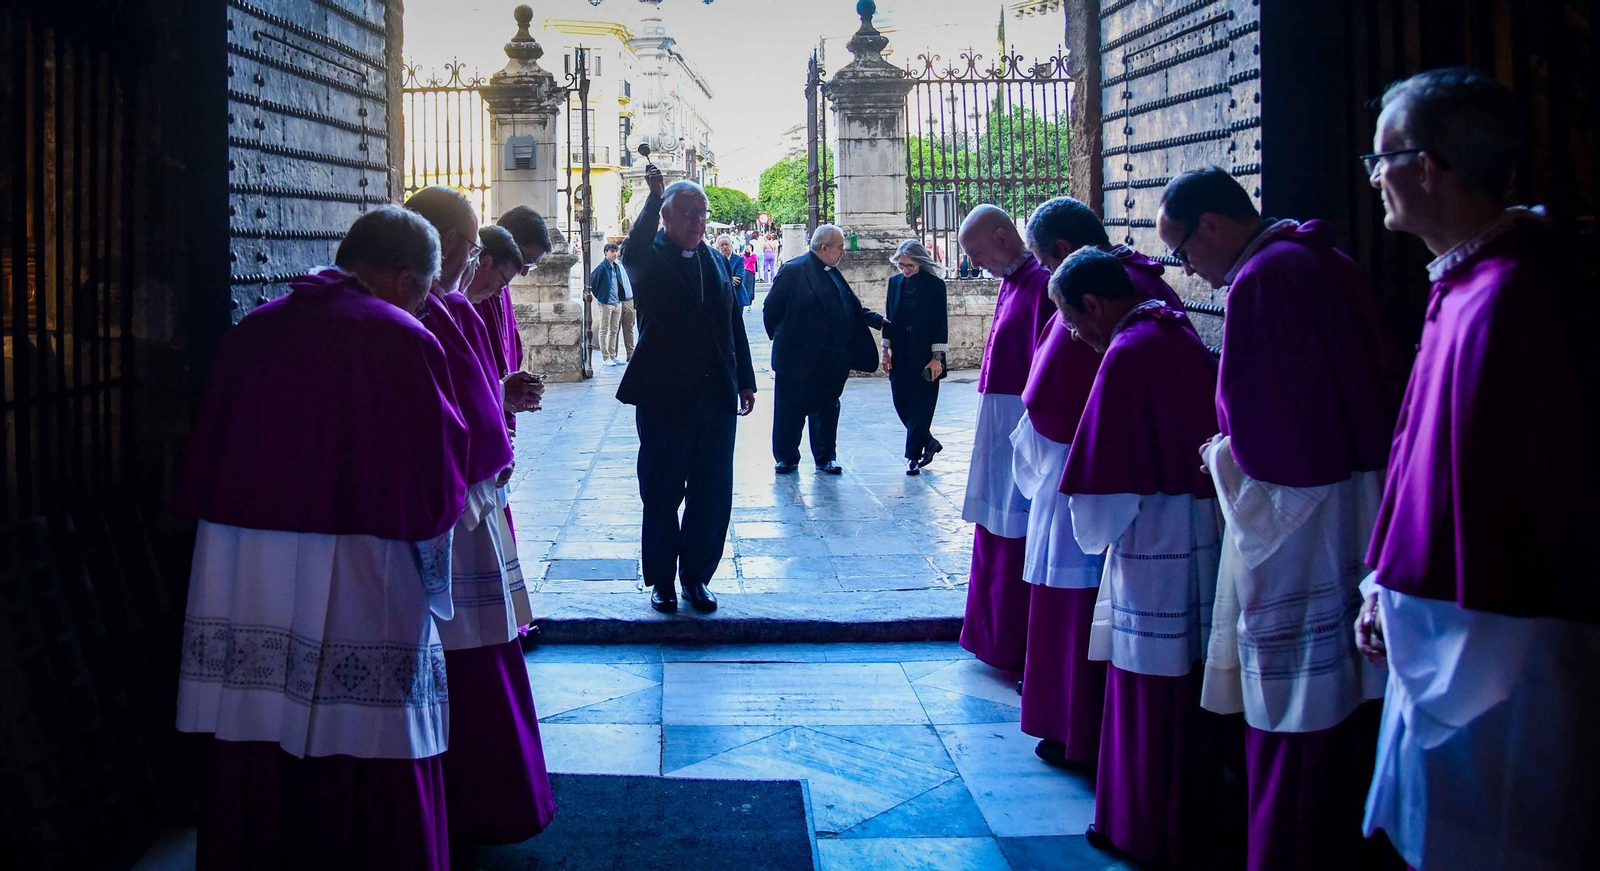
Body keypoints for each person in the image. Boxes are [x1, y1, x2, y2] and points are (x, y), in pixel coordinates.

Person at [1357, 68, 1600, 871]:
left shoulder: (1510, 297)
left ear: (1427, 167)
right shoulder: (1467, 280)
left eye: (1382, 156)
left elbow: (1507, 489)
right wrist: (1383, 584)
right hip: (1441, 614)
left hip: (1495, 631)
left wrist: (1401, 596)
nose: (1373, 175)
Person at [173, 206, 467, 870]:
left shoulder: (254, 329)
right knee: (366, 729)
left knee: (255, 724)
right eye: (425, 291)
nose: (425, 308)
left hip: (243, 565)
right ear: (399, 279)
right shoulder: (400, 338)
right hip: (365, 566)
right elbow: (435, 479)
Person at [1152, 167, 1402, 871]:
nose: (1189, 272)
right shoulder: (1320, 259)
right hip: (1357, 493)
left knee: (1296, 694)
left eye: (1184, 252)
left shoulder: (1266, 277)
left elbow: (1269, 429)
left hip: (1305, 515)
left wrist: (1219, 453)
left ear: (1213, 227)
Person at [1052, 248, 1223, 868]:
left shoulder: (1128, 350)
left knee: (1148, 682)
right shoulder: (1169, 326)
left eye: (1072, 321)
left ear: (1095, 304)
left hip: (1154, 534)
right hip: (1194, 520)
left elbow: (1101, 478)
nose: (1074, 335)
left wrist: (1089, 520)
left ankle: (1141, 823)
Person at [1011, 196, 1186, 771]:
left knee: (1085, 604)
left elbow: (1054, 400)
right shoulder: (1143, 289)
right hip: (1144, 484)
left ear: (1063, 252)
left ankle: (1076, 728)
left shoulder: (1108, 303)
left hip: (1098, 482)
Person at [404, 187, 555, 846]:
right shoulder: (440, 312)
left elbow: (460, 401)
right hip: (450, 510)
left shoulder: (446, 309)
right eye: (467, 251)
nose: (475, 267)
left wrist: (498, 396)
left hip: (461, 498)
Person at [617, 166, 757, 615]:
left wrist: (747, 381)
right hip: (664, 397)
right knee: (660, 490)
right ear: (667, 216)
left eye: (703, 212)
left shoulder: (715, 260)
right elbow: (633, 246)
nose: (698, 221)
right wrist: (651, 197)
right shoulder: (649, 255)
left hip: (716, 395)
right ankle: (662, 580)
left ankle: (697, 576)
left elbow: (732, 321)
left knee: (712, 491)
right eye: (688, 213)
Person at [954, 204, 1056, 671]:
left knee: (1016, 526)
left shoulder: (1042, 284)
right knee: (993, 527)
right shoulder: (1012, 280)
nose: (975, 264)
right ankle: (989, 636)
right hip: (997, 422)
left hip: (1021, 423)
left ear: (1001, 236)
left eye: (976, 252)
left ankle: (1013, 641)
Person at [763, 224, 885, 475]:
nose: (843, 252)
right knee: (790, 409)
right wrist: (785, 340)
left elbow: (850, 308)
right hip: (796, 358)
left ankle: (825, 456)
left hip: (831, 359)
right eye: (840, 247)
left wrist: (878, 321)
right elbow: (771, 310)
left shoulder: (833, 273)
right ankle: (786, 457)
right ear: (825, 247)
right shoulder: (794, 270)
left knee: (828, 409)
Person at [880, 239, 948, 475]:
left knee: (922, 404)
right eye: (901, 266)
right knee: (901, 401)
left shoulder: (935, 286)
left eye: (909, 266)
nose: (905, 270)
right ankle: (929, 442)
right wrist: (885, 349)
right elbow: (889, 317)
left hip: (927, 352)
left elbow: (940, 323)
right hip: (901, 348)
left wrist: (937, 357)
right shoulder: (894, 283)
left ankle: (912, 456)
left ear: (920, 263)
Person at [485, 206, 553, 431]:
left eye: (530, 265)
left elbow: (510, 346)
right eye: (525, 261)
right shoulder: (482, 288)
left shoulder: (500, 287)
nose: (523, 272)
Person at [589, 241, 636, 366]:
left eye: (616, 251)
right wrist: (601, 297)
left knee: (614, 330)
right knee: (604, 329)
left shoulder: (616, 266)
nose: (614, 254)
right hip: (606, 303)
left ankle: (612, 355)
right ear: (606, 252)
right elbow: (593, 282)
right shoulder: (602, 267)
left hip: (617, 302)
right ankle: (605, 357)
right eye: (612, 251)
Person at [741, 244, 758, 308]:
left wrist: (750, 252)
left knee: (750, 287)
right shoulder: (742, 255)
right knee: (744, 286)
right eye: (747, 247)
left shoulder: (754, 255)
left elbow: (753, 260)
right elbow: (742, 260)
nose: (748, 248)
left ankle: (749, 301)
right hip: (744, 272)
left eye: (750, 247)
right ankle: (744, 301)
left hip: (751, 272)